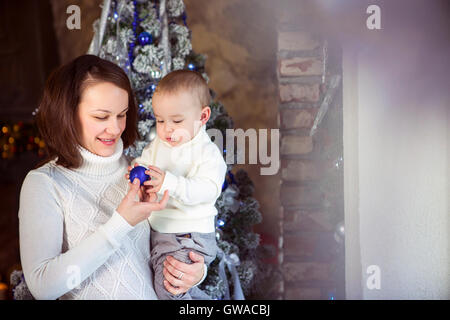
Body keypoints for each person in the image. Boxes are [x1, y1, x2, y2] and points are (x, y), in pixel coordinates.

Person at [18, 55, 206, 300]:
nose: (116, 128)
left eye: (122, 114)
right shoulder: (45, 184)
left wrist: (194, 272)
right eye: (101, 117)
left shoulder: (144, 170)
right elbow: (43, 287)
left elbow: (177, 239)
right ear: (67, 114)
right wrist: (121, 222)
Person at [129, 70, 227, 300]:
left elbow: (206, 190)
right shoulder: (160, 145)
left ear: (203, 117)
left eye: (177, 121)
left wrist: (168, 182)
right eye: (160, 120)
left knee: (169, 288)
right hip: (161, 232)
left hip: (188, 235)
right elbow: (145, 161)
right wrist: (137, 170)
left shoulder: (207, 154)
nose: (167, 129)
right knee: (173, 288)